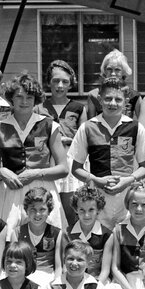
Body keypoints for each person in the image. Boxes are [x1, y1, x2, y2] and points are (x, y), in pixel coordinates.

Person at [0, 72, 68, 231]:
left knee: (46, 242)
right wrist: (3, 171)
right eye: (19, 96)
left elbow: (63, 168)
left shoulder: (49, 125)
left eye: (29, 97)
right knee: (11, 241)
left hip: (43, 191)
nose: (24, 101)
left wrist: (36, 173)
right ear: (11, 98)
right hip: (11, 191)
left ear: (36, 99)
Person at [69, 77, 145, 228]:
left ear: (126, 101)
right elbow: (76, 168)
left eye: (118, 99)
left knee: (124, 242)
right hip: (98, 199)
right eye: (108, 98)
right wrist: (95, 180)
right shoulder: (88, 127)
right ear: (100, 100)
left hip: (126, 198)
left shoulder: (135, 127)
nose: (113, 103)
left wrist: (127, 180)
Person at [40, 59, 85, 224]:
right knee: (49, 209)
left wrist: (69, 140)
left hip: (70, 162)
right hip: (47, 162)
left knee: (71, 210)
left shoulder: (79, 108)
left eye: (64, 81)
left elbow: (83, 138)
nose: (60, 85)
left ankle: (73, 246)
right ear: (48, 82)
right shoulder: (39, 108)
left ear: (70, 84)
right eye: (55, 80)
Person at [12, 186, 60, 284]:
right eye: (33, 209)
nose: (37, 214)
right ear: (26, 210)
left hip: (48, 278)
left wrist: (55, 284)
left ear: (49, 211)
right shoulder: (17, 232)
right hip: (23, 279)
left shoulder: (57, 233)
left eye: (42, 209)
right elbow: (13, 263)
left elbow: (59, 267)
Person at [84, 50, 136, 120]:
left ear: (124, 71)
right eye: (109, 69)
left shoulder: (134, 95)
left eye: (117, 70)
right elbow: (91, 123)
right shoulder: (93, 95)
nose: (113, 73)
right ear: (104, 71)